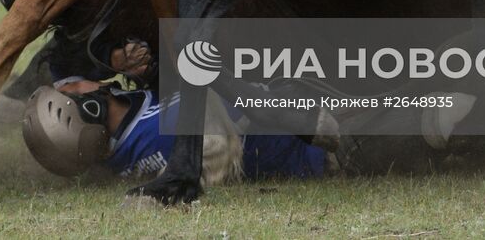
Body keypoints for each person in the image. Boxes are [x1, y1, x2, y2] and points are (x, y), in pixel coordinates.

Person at [22, 79, 327, 181]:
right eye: (71, 86)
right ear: (90, 107)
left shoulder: (116, 152)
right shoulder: (173, 120)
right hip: (318, 149)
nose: (79, 78)